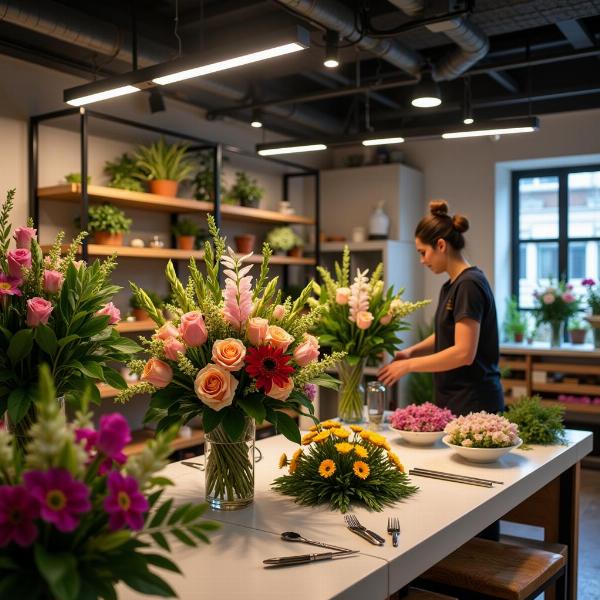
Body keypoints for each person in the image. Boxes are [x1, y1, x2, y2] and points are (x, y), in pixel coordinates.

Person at [378, 200, 504, 417]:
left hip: (474, 403)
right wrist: (411, 352)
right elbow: (447, 335)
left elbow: (464, 352)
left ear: (441, 245)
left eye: (423, 252)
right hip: (455, 400)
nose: (421, 260)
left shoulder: (469, 284)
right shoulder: (452, 285)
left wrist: (408, 366)